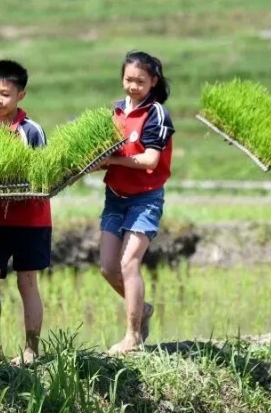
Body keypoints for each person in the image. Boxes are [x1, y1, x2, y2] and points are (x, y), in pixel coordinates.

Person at [0, 59, 53, 366]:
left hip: (31, 221)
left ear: (21, 95)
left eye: (5, 93)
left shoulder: (31, 132)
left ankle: (31, 350)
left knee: (26, 281)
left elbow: (43, 176)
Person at [98, 51, 174, 355]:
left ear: (153, 82)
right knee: (107, 268)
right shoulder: (114, 112)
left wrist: (113, 159)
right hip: (114, 198)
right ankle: (143, 309)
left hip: (146, 199)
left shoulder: (156, 114)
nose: (133, 86)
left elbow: (149, 160)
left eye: (140, 81)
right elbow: (101, 154)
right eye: (129, 79)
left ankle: (132, 336)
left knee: (129, 264)